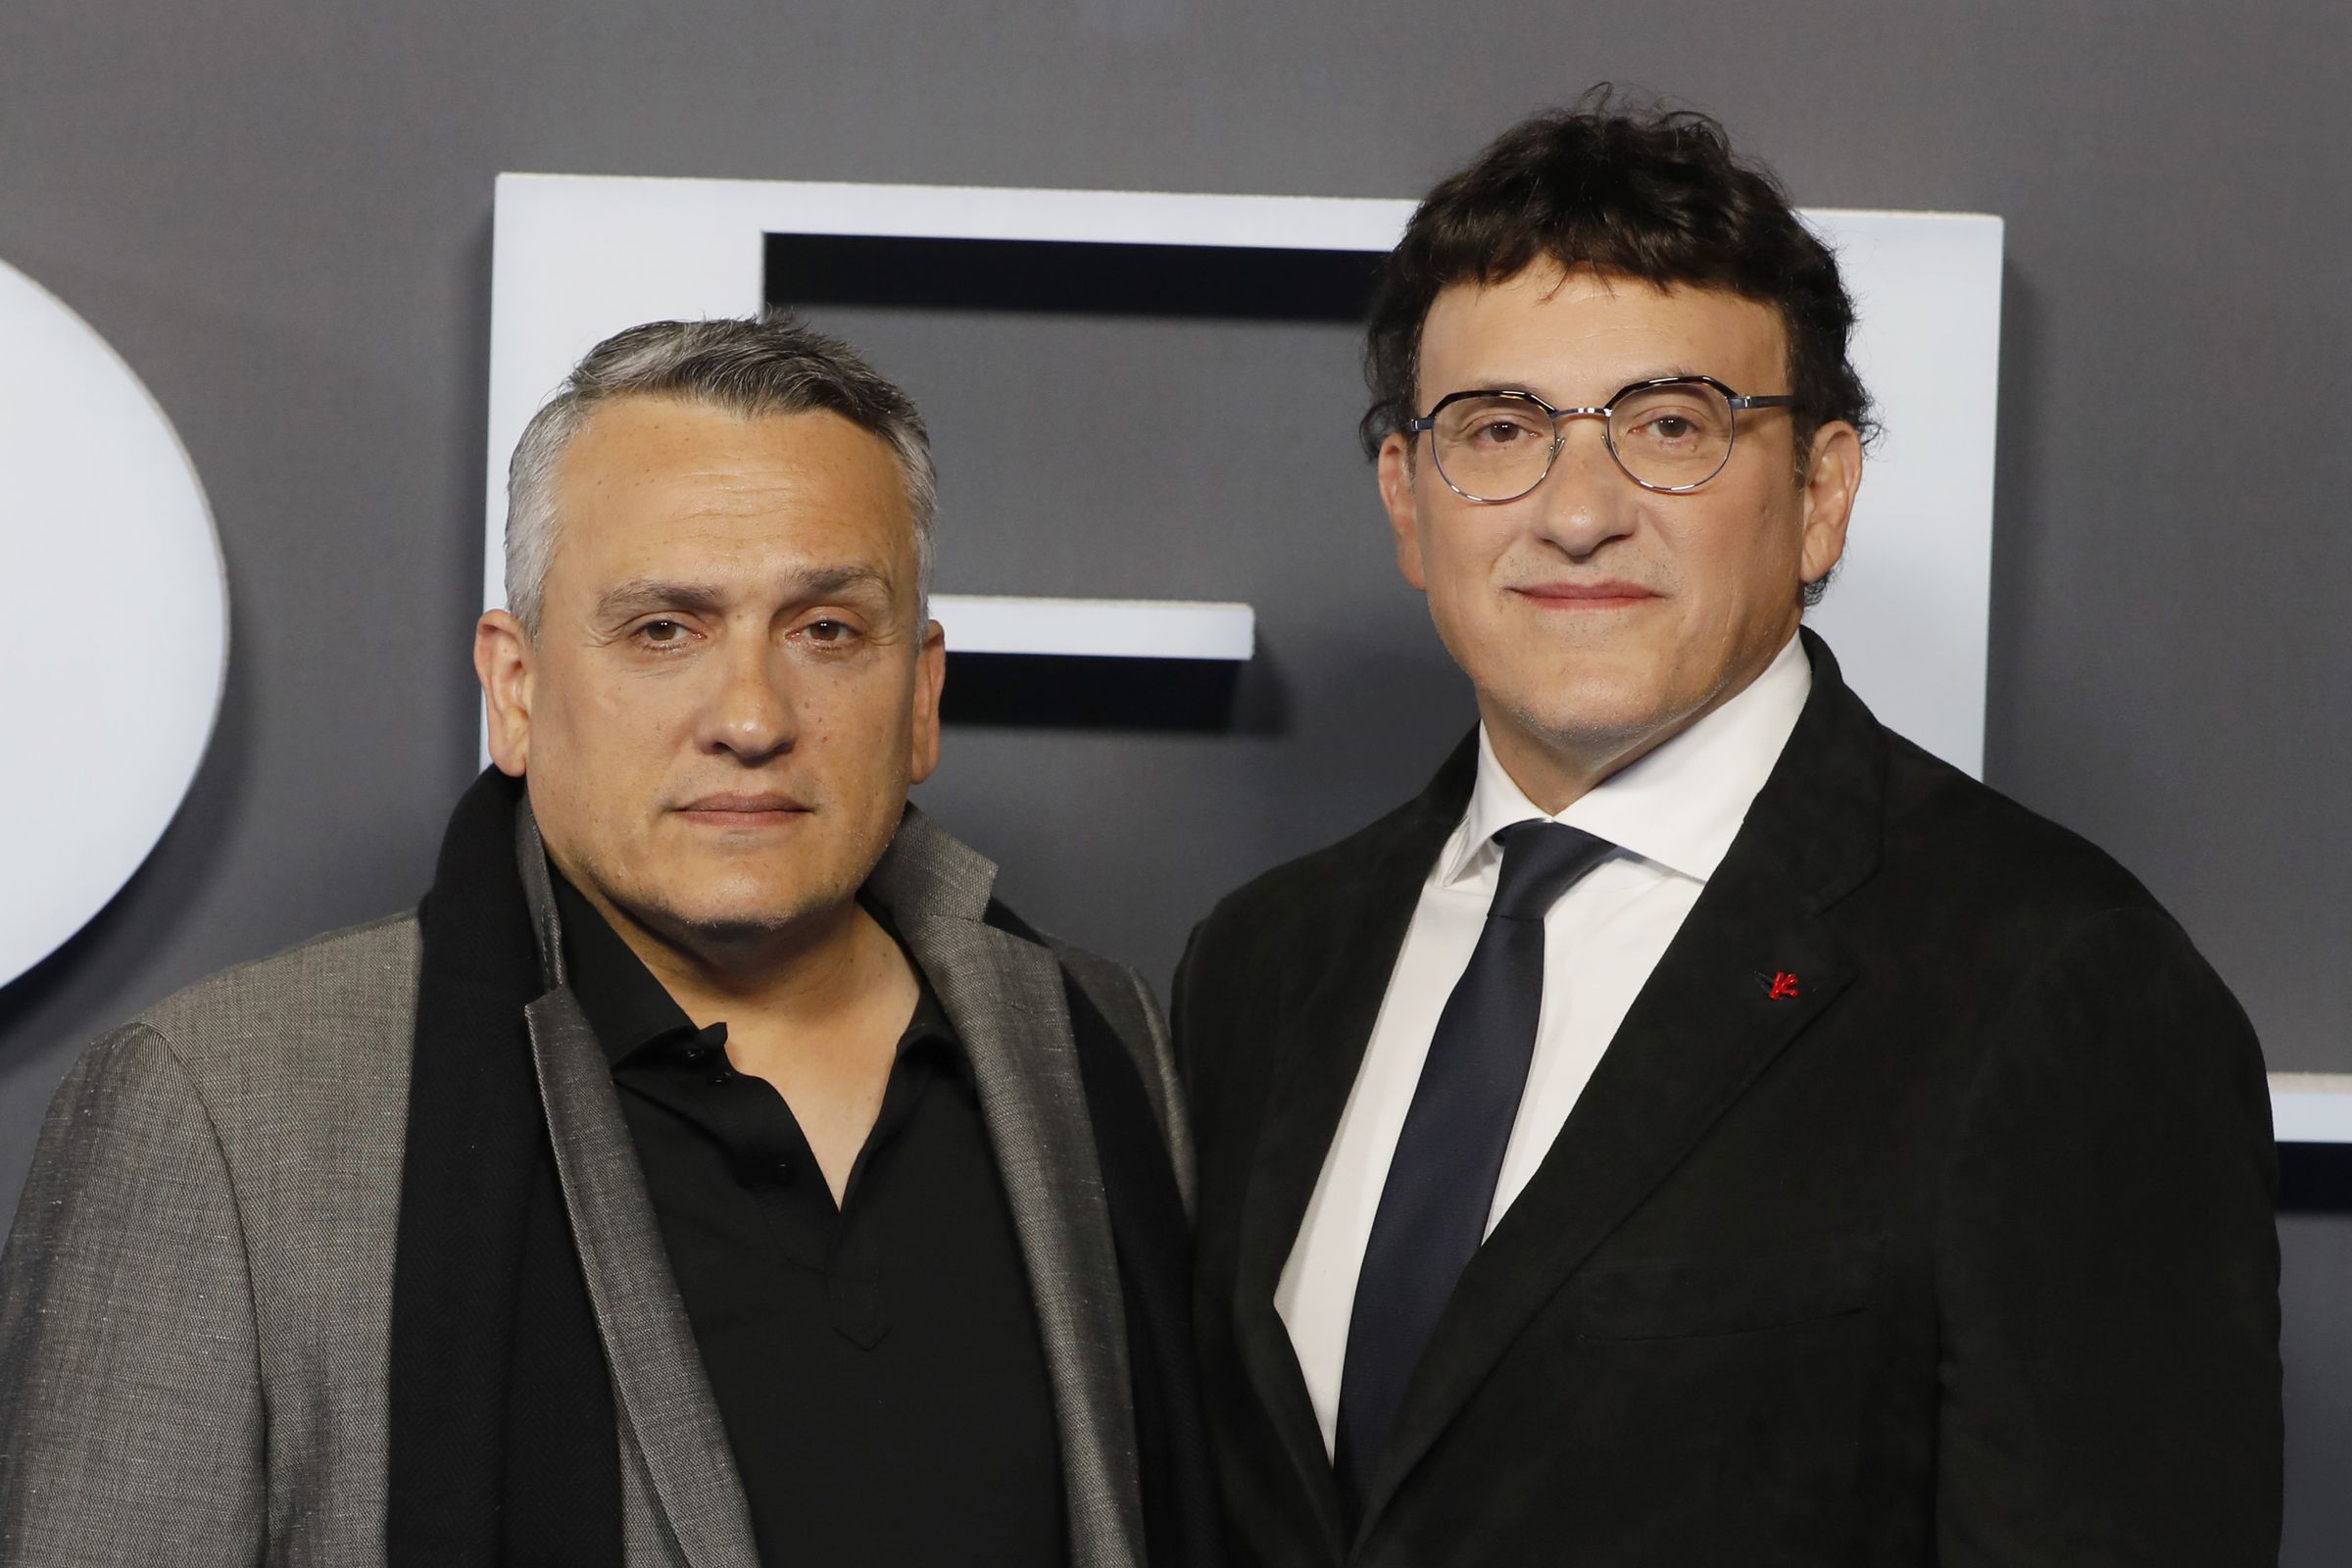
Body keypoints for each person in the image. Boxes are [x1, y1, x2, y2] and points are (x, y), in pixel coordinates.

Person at [1176, 99, 2279, 1566]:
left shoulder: (2058, 986)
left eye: (1670, 427)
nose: (1578, 512)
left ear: (1822, 492)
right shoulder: (1263, 965)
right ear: (1407, 499)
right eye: (1500, 430)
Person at [0, 316, 1216, 1568]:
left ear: (920, 696)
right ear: (515, 689)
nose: (751, 716)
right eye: (663, 630)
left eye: (825, 630)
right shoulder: (225, 1114)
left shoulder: (1099, 1047)